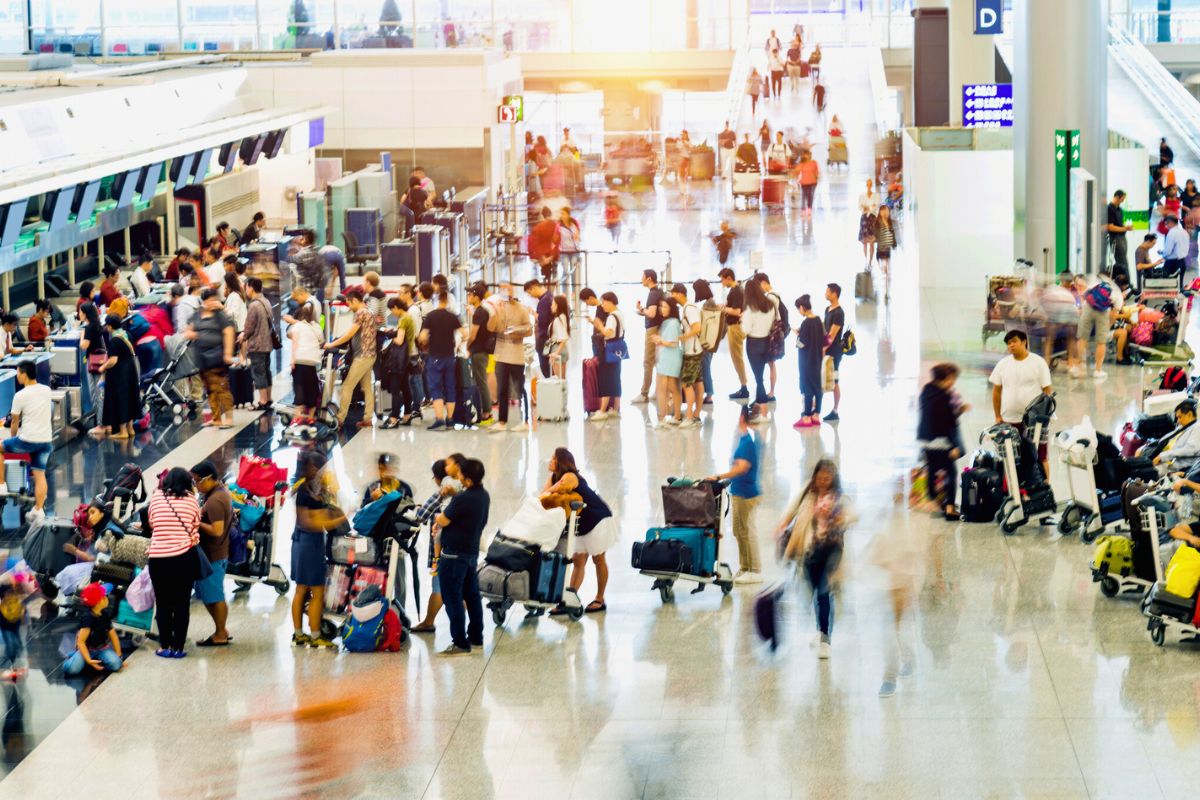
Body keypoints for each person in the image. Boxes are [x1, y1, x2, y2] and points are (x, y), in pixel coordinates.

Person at [780, 459, 849, 659]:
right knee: (813, 591)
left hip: (832, 550)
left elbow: (851, 516)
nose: (823, 481)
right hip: (811, 550)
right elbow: (792, 509)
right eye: (820, 477)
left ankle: (826, 637)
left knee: (824, 591)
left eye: (827, 478)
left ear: (833, 479)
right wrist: (782, 525)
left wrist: (837, 518)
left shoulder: (839, 497)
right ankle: (821, 630)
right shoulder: (807, 492)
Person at [542, 449, 617, 615]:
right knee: (578, 560)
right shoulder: (553, 477)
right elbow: (544, 495)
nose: (550, 460)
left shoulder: (570, 475)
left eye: (553, 458)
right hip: (580, 523)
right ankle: (569, 600)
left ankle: (600, 599)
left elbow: (559, 489)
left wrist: (550, 492)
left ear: (561, 462)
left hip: (597, 519)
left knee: (598, 559)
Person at [434, 458, 490, 656]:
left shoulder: (462, 499)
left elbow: (443, 519)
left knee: (453, 598)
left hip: (452, 555)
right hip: (470, 553)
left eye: (460, 474)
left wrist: (436, 518)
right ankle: (476, 637)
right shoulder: (483, 496)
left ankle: (459, 642)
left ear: (466, 479)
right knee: (472, 596)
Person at [290, 451, 345, 649]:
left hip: (301, 543)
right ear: (312, 468)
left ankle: (299, 634)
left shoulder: (308, 489)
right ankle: (315, 636)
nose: (324, 472)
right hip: (309, 545)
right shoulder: (307, 492)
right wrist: (343, 517)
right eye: (322, 468)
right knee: (316, 592)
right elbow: (311, 523)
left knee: (301, 590)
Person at [147, 468, 201, 659]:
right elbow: (196, 524)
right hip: (184, 559)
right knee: (181, 604)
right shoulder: (192, 501)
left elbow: (152, 523)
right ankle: (178, 648)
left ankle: (165, 646)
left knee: (163, 603)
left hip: (159, 559)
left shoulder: (157, 497)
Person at [705, 407, 761, 584]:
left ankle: (755, 570)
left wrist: (719, 476)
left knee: (746, 531)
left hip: (746, 494)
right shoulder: (744, 440)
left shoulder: (747, 443)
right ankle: (745, 567)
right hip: (738, 492)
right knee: (738, 531)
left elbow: (742, 467)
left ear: (742, 418)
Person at [408, 456, 463, 634]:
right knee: (461, 586)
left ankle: (429, 622)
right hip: (463, 546)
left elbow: (421, 515)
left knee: (439, 586)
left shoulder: (442, 493)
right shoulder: (463, 490)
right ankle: (471, 625)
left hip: (445, 550)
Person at [990, 329, 1053, 475]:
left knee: (1039, 457)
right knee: (1011, 458)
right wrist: (997, 416)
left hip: (1034, 423)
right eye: (1008, 343)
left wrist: (1045, 417)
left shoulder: (1038, 362)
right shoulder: (1002, 364)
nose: (1011, 345)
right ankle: (1016, 491)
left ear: (1024, 341)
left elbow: (1047, 391)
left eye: (1014, 341)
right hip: (1010, 420)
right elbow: (996, 391)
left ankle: (1044, 489)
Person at [0, 363, 52, 519]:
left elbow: (15, 422)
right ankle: (38, 509)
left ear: (24, 374)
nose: (17, 375)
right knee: (39, 474)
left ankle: (1, 485)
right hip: (46, 440)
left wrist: (12, 439)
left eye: (18, 372)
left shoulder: (20, 395)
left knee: (0, 447)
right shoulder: (46, 390)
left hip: (28, 439)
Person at [190, 460, 233, 647]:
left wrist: (195, 522)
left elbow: (217, 530)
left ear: (209, 479)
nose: (196, 485)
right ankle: (221, 629)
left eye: (198, 481)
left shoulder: (215, 500)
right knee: (210, 595)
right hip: (216, 553)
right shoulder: (219, 493)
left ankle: (220, 633)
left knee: (215, 596)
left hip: (213, 556)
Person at [918, 364, 969, 520]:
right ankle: (950, 508)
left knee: (932, 470)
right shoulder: (944, 397)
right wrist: (954, 446)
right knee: (951, 473)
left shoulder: (926, 391)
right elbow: (948, 423)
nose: (953, 382)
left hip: (926, 440)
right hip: (941, 441)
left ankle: (933, 498)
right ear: (946, 378)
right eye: (952, 378)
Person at [326, 289, 377, 430]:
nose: (348, 306)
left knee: (347, 386)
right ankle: (368, 418)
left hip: (362, 357)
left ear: (354, 300)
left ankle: (340, 419)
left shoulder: (360, 313)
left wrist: (331, 343)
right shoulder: (369, 311)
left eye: (349, 303)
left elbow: (349, 334)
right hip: (370, 355)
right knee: (367, 388)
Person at [487, 281, 532, 433]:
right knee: (502, 389)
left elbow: (529, 329)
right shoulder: (496, 307)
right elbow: (491, 328)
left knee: (520, 387)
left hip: (516, 353)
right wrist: (496, 313)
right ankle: (502, 420)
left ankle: (525, 420)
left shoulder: (521, 309)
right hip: (500, 352)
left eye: (509, 290)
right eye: (503, 290)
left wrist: (517, 331)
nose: (507, 293)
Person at [188, 288, 236, 430]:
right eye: (209, 300)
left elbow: (229, 332)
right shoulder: (197, 314)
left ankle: (228, 418)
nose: (212, 302)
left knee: (221, 387)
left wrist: (228, 353)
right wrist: (191, 334)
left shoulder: (220, 315)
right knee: (209, 389)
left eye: (214, 299)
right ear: (204, 301)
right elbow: (189, 329)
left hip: (217, 356)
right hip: (201, 358)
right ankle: (216, 419)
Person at [419, 291, 464, 431]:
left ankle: (439, 419)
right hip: (450, 357)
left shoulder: (431, 316)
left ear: (436, 300)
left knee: (436, 388)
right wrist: (455, 345)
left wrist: (427, 340)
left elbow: (422, 337)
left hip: (435, 357)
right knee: (450, 387)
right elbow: (465, 334)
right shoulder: (453, 317)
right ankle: (450, 419)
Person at [61, 583, 122, 675]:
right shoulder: (87, 618)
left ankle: (92, 661)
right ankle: (73, 657)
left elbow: (113, 635)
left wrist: (119, 656)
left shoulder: (105, 615)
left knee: (116, 664)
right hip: (85, 649)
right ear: (97, 602)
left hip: (101, 649)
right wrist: (88, 660)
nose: (107, 599)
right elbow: (81, 642)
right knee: (72, 670)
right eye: (104, 597)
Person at [741, 276, 778, 423]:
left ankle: (763, 413)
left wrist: (742, 322)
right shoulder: (770, 304)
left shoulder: (750, 308)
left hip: (753, 344)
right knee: (760, 376)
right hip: (766, 342)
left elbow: (746, 329)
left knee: (758, 379)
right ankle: (761, 410)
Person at [1072, 269, 1122, 381]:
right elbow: (1114, 314)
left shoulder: (1095, 280)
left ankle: (1077, 367)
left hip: (1088, 307)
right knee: (1101, 342)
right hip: (1103, 312)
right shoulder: (1116, 291)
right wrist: (1108, 327)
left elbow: (1085, 295)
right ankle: (1098, 371)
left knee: (1082, 339)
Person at [98, 314, 141, 439]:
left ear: (110, 326)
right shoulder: (126, 335)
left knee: (120, 399)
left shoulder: (114, 340)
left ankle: (122, 431)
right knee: (130, 397)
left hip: (120, 374)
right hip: (130, 371)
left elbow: (113, 360)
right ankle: (130, 428)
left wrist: (103, 367)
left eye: (106, 325)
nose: (106, 327)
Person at [588, 291, 625, 419]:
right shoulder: (619, 313)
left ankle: (602, 411)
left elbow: (608, 332)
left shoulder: (611, 317)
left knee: (606, 378)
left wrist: (599, 326)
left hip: (609, 349)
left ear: (610, 301)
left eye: (603, 302)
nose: (602, 305)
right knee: (615, 378)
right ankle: (615, 408)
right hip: (618, 348)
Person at [463, 284, 495, 428]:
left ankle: (487, 412)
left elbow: (473, 334)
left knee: (481, 382)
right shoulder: (481, 310)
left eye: (470, 295)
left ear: (476, 297)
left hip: (479, 352)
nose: (468, 297)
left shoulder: (479, 312)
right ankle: (485, 409)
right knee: (480, 380)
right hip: (481, 351)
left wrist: (467, 346)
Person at [241, 277, 274, 411]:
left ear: (251, 287)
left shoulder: (254, 305)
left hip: (257, 344)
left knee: (258, 373)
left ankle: (262, 400)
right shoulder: (266, 301)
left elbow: (248, 328)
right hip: (267, 343)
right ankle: (269, 398)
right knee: (266, 371)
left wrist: (243, 336)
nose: (246, 290)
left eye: (246, 287)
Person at [672, 283, 703, 427]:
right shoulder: (688, 307)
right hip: (695, 349)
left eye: (673, 293)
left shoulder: (689, 308)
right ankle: (696, 413)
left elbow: (697, 328)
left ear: (679, 293)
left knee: (687, 383)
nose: (672, 296)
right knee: (697, 381)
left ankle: (690, 416)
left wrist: (683, 337)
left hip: (692, 350)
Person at [793, 295, 826, 428]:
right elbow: (822, 338)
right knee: (817, 388)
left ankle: (806, 417)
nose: (799, 312)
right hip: (817, 359)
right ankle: (816, 415)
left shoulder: (806, 323)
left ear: (802, 307)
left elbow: (801, 343)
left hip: (806, 361)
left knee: (807, 389)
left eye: (798, 309)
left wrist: (797, 335)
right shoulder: (818, 320)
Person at [288, 302, 324, 422]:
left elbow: (294, 342)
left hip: (300, 360)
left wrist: (292, 360)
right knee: (312, 388)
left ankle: (298, 415)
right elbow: (321, 340)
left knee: (299, 386)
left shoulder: (297, 326)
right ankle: (311, 417)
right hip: (312, 361)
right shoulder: (316, 327)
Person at [651, 297, 683, 428]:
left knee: (663, 388)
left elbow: (674, 343)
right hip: (666, 358)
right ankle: (675, 416)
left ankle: (662, 418)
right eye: (660, 306)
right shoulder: (667, 322)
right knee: (671, 388)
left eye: (664, 306)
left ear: (671, 308)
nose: (661, 309)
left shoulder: (673, 323)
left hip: (669, 358)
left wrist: (660, 341)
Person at [634, 269, 663, 404]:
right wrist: (642, 310)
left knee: (648, 361)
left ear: (649, 279)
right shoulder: (659, 292)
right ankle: (658, 391)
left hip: (652, 330)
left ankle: (644, 393)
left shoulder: (652, 294)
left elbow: (651, 314)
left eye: (643, 277)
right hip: (660, 328)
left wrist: (642, 310)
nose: (641, 279)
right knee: (657, 361)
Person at [720, 268, 749, 399]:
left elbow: (737, 311)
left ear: (729, 278)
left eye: (722, 279)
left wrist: (723, 308)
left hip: (736, 327)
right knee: (736, 357)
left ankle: (744, 387)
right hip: (735, 326)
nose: (721, 282)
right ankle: (743, 386)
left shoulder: (736, 290)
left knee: (737, 357)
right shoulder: (736, 289)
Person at [1151, 400, 1200, 475]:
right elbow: (1166, 439)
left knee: (1143, 472)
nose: (1178, 421)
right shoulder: (1182, 427)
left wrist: (1163, 456)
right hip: (1166, 457)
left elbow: (1190, 449)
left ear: (1189, 414)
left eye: (1180, 417)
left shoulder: (1197, 428)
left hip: (1175, 464)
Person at [693, 279, 718, 405]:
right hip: (711, 340)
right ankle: (707, 393)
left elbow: (706, 324)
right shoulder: (711, 302)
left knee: (705, 367)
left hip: (706, 341)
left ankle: (709, 394)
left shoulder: (708, 304)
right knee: (706, 365)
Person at [822, 284, 845, 422]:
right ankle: (815, 406)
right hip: (826, 351)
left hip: (834, 353)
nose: (825, 293)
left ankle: (835, 410)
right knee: (823, 378)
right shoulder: (828, 309)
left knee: (835, 380)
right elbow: (825, 331)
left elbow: (831, 335)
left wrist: (823, 349)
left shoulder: (839, 313)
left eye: (827, 292)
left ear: (834, 294)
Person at [525, 279, 554, 379]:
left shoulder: (544, 301)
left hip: (544, 340)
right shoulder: (549, 295)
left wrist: (532, 313)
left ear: (534, 287)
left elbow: (542, 320)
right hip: (550, 338)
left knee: (547, 370)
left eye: (530, 292)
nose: (530, 295)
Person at [528, 207, 562, 283]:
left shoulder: (538, 227)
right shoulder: (556, 226)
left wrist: (542, 257)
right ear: (551, 214)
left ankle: (546, 287)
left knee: (546, 276)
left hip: (544, 256)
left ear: (542, 215)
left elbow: (534, 243)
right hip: (553, 255)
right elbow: (558, 241)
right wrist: (552, 256)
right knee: (555, 275)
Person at [1107, 190, 1133, 280]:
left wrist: (1125, 228)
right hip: (1115, 238)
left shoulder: (1119, 209)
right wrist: (1125, 228)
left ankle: (1126, 282)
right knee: (1122, 262)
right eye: (1122, 199)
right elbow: (1110, 227)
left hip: (1122, 237)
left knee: (1123, 261)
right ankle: (1126, 283)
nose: (1122, 201)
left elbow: (1119, 224)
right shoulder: (1110, 208)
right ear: (1117, 197)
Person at [547, 294, 571, 380]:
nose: (551, 306)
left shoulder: (558, 319)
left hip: (558, 348)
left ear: (557, 305)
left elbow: (564, 338)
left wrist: (556, 353)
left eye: (553, 304)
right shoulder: (563, 316)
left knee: (558, 380)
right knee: (562, 380)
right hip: (563, 349)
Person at [858, 179, 880, 264]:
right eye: (868, 184)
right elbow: (860, 206)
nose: (869, 186)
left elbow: (876, 205)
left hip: (872, 218)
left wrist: (867, 207)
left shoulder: (876, 195)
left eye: (870, 184)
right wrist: (870, 206)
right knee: (864, 241)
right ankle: (866, 260)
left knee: (872, 241)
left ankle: (870, 260)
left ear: (872, 185)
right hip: (864, 219)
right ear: (866, 185)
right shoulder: (862, 196)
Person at [1161, 214, 1188, 282]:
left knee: (1168, 285)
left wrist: (1162, 254)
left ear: (1171, 222)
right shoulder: (1184, 232)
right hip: (1182, 261)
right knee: (1179, 285)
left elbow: (1168, 250)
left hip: (1172, 263)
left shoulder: (1172, 233)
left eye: (1166, 224)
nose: (1166, 226)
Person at [558, 206, 582, 279]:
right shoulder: (559, 225)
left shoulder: (574, 223)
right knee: (565, 272)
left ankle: (574, 290)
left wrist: (576, 236)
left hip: (574, 250)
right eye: (561, 214)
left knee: (574, 271)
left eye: (563, 214)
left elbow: (578, 236)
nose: (562, 216)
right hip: (564, 251)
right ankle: (564, 290)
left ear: (568, 215)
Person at [794, 149, 819, 217]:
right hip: (804, 183)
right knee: (803, 196)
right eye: (805, 154)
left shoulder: (814, 163)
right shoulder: (802, 164)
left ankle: (809, 208)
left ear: (810, 155)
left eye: (807, 154)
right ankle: (803, 209)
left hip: (813, 182)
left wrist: (817, 177)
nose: (806, 156)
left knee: (810, 195)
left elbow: (817, 172)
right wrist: (795, 178)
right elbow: (796, 172)